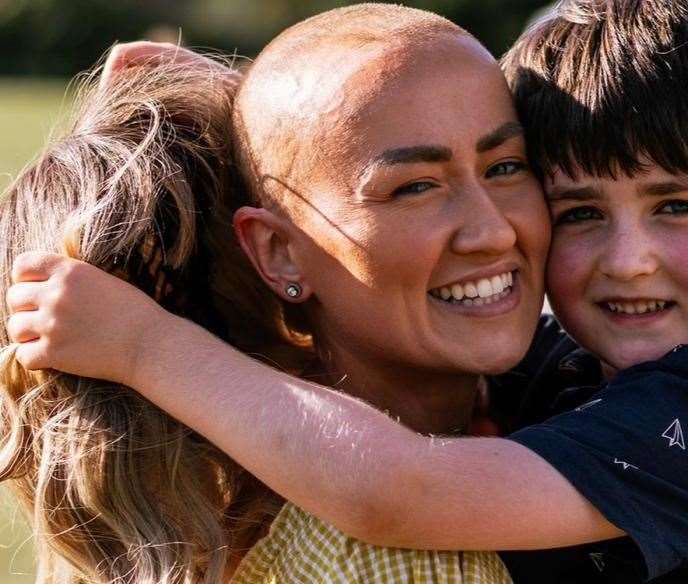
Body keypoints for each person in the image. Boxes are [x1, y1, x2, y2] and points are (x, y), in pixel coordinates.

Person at [7, 0, 688, 582]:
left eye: (676, 206)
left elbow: (391, 489)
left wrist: (146, 347)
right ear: (277, 249)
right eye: (577, 211)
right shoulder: (573, 363)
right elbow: (376, 131)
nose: (629, 260)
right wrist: (260, 104)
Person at [0, 4, 549, 583]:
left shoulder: (229, 488)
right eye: (414, 187)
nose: (494, 231)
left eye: (507, 167)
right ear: (278, 252)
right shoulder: (407, 563)